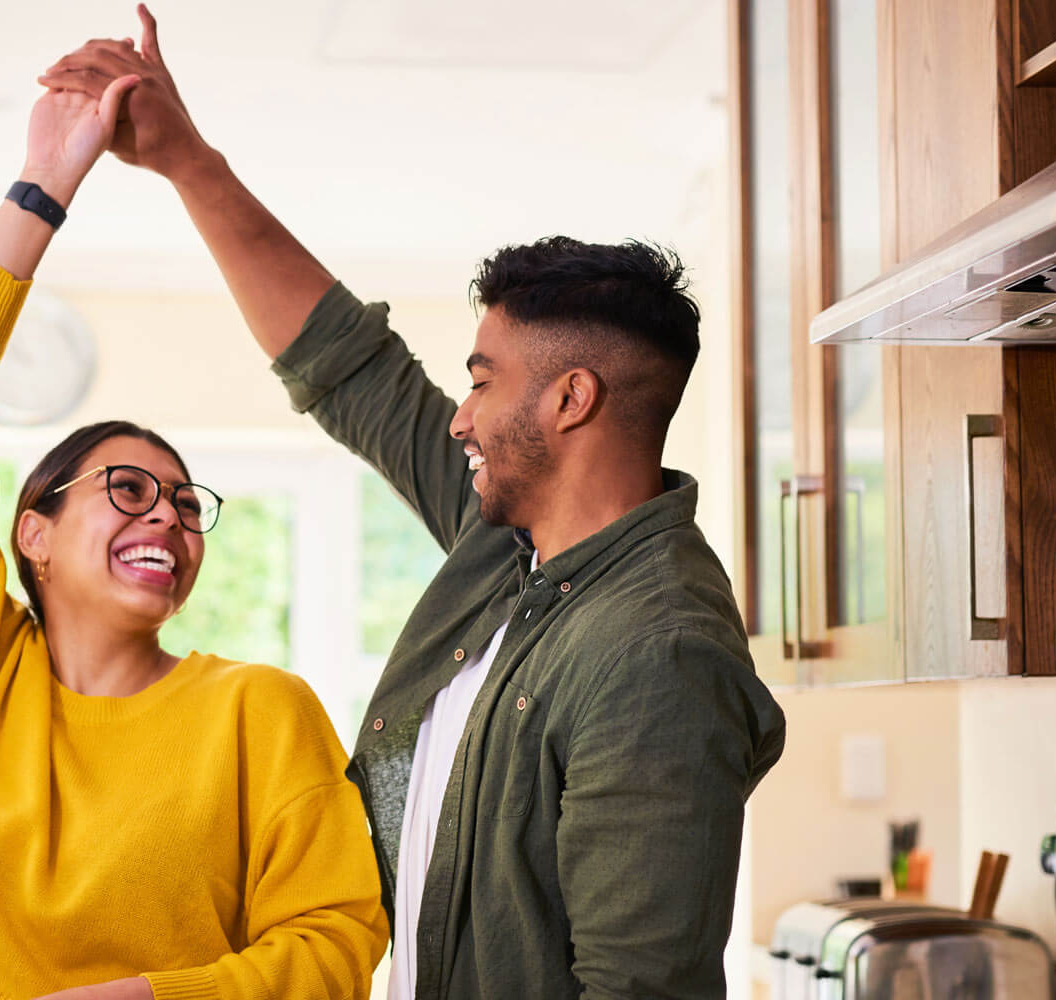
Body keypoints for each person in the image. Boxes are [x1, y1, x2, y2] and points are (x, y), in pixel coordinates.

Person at [39, 10, 788, 999]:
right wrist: (185, 161)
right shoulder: (509, 551)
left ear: (569, 400)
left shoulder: (654, 654)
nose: (458, 417)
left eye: (481, 380)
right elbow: (351, 373)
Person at [0, 61, 386, 1000]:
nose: (168, 513)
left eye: (187, 505)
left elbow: (336, 944)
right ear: (33, 531)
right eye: (128, 488)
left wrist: (142, 998)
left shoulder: (259, 714)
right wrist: (44, 183)